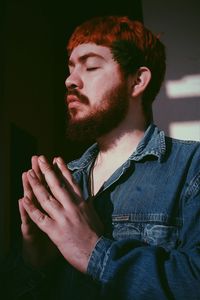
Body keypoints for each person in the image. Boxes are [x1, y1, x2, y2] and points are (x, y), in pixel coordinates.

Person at [1, 15, 200, 300]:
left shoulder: (192, 166)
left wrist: (94, 253)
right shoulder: (62, 181)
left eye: (91, 66)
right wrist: (33, 263)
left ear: (138, 81)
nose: (70, 80)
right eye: (70, 68)